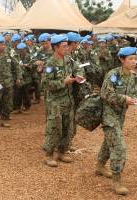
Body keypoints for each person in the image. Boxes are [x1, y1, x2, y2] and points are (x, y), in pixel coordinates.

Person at [96, 47, 137, 195]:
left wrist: (135, 99)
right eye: (130, 59)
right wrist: (124, 99)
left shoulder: (133, 76)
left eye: (135, 58)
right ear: (122, 60)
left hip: (121, 115)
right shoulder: (113, 75)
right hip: (109, 115)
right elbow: (105, 94)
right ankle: (117, 181)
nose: (134, 61)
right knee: (119, 146)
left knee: (110, 141)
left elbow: (135, 91)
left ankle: (100, 165)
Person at [42, 34, 84, 167]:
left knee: (67, 127)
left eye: (67, 45)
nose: (67, 48)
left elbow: (78, 69)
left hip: (68, 99)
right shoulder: (50, 64)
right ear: (56, 47)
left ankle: (62, 151)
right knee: (54, 128)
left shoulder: (69, 59)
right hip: (55, 102)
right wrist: (63, 82)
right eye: (64, 46)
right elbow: (46, 84)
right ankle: (49, 155)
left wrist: (79, 76)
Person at [0, 34, 21, 129]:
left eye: (3, 44)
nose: (2, 46)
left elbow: (16, 65)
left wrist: (18, 77)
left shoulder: (9, 53)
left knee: (8, 102)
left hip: (8, 83)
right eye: (0, 45)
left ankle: (5, 119)